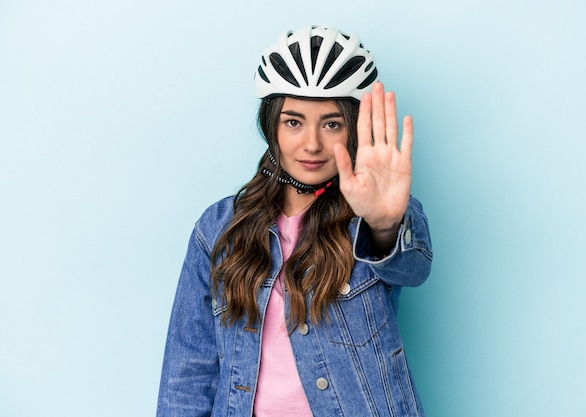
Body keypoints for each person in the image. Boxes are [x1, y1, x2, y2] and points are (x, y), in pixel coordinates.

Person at [157, 25, 433, 417]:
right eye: (294, 122)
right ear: (271, 126)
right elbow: (187, 371)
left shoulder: (373, 212)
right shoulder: (218, 228)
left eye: (332, 123)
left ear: (355, 128)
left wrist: (384, 223)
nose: (312, 144)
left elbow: (413, 269)